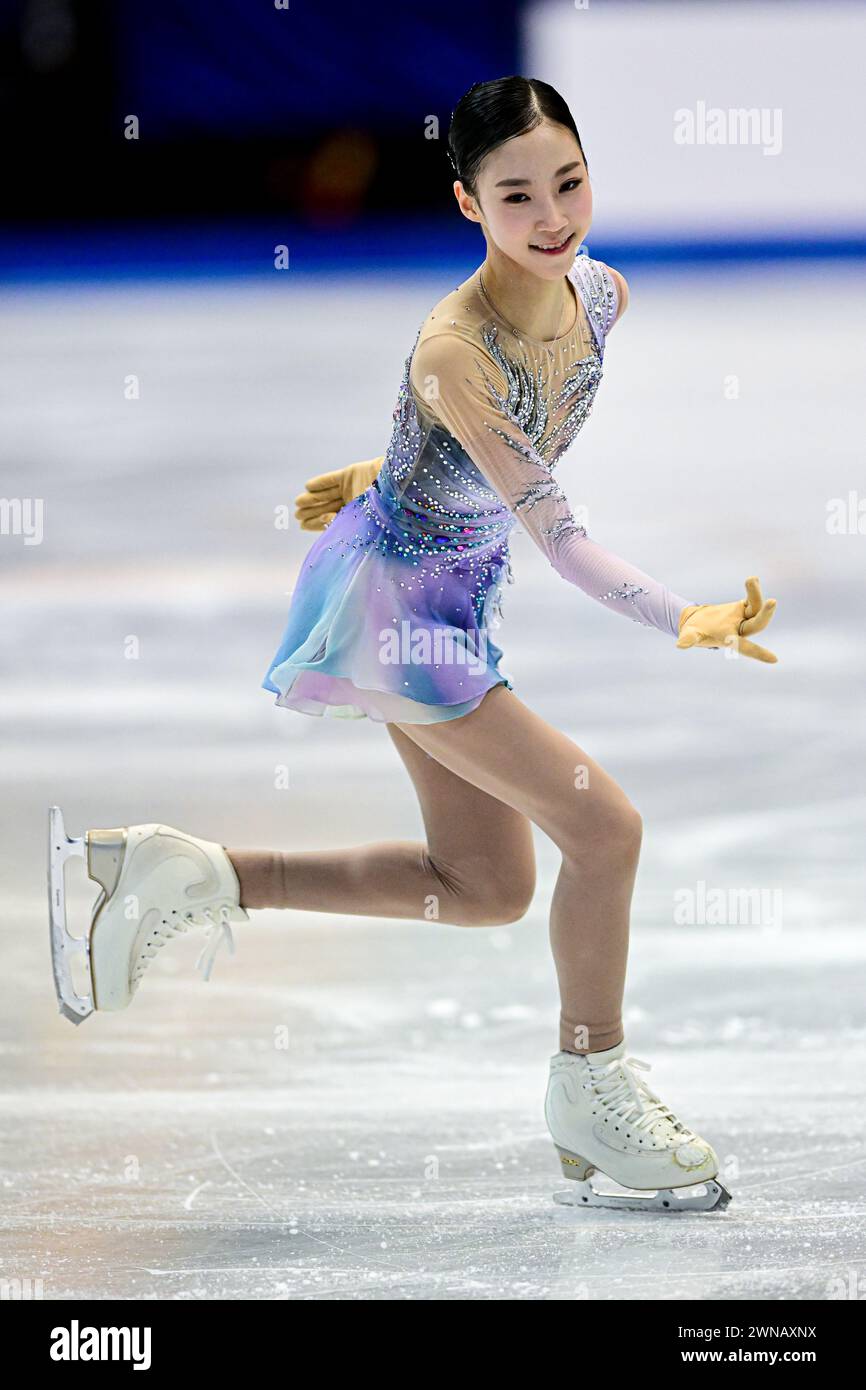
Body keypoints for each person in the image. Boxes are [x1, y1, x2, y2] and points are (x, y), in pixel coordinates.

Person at [49, 77, 776, 1211]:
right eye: (515, 195)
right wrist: (679, 614)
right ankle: (591, 1084)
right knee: (605, 827)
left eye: (568, 183)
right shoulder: (454, 348)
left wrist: (375, 474)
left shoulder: (601, 295)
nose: (551, 217)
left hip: (448, 592)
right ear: (465, 205)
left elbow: (486, 460)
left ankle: (183, 873)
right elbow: (564, 537)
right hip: (398, 615)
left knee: (482, 885)